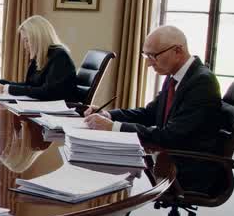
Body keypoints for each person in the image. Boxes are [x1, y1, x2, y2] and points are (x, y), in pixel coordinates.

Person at [84, 25, 223, 192]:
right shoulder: (176, 76)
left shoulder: (202, 83)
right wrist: (108, 115)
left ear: (177, 51)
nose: (149, 63)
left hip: (186, 166)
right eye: (146, 56)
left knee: (101, 163)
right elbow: (149, 113)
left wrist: (113, 127)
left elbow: (170, 136)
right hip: (168, 155)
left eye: (153, 56)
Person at [0, 15, 79, 102]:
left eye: (27, 40)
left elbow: (47, 92)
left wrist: (4, 89)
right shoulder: (40, 56)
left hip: (58, 114)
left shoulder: (60, 56)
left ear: (38, 39)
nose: (25, 46)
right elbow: (29, 86)